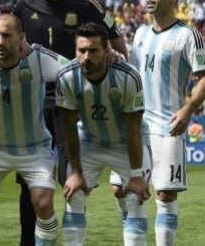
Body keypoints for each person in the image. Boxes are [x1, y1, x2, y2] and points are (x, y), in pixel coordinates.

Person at [12, 0, 128, 245]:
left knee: (71, 180)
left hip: (72, 107)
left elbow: (119, 46)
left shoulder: (87, 5)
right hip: (33, 105)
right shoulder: (24, 4)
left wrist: (113, 59)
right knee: (31, 182)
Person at [111, 0, 205, 245]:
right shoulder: (141, 33)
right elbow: (133, 74)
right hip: (135, 125)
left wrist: (188, 108)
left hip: (168, 126)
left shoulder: (188, 35)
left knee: (165, 195)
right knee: (121, 191)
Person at [0, 14, 68, 246]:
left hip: (34, 150)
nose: (1, 41)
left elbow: (73, 68)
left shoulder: (41, 59)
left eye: (7, 35)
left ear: (21, 38)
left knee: (42, 203)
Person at [56, 22, 151, 245]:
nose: (86, 57)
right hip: (89, 141)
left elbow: (133, 130)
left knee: (135, 198)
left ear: (107, 50)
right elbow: (68, 128)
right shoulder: (67, 77)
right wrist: (77, 173)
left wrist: (137, 175)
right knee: (74, 195)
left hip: (126, 143)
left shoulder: (129, 77)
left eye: (93, 50)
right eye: (81, 50)